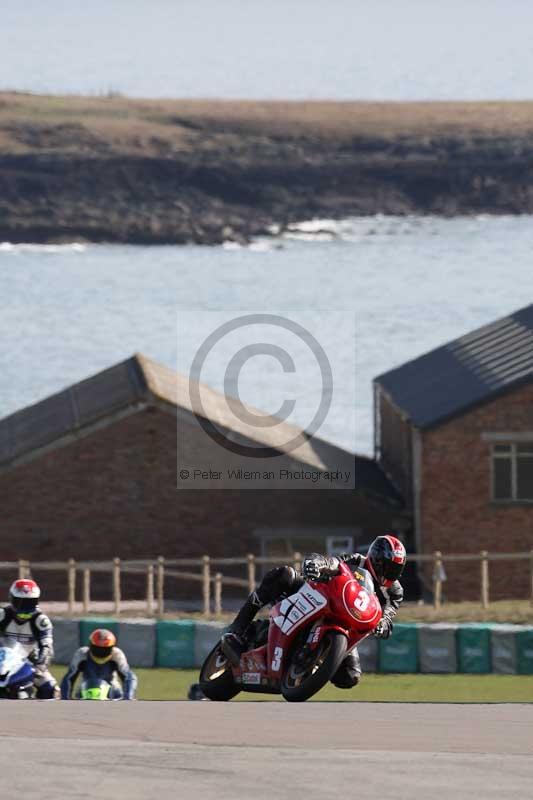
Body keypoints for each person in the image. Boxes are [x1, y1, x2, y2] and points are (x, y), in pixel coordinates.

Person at [221, 534, 407, 689]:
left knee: (350, 676)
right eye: (387, 566)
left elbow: (388, 615)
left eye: (396, 569)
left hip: (346, 626)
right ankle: (238, 627)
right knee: (284, 575)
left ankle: (313, 663)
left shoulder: (395, 592)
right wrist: (317, 564)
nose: (390, 573)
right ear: (375, 559)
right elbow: (334, 562)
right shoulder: (356, 561)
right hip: (319, 597)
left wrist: (383, 625)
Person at [0, 578, 57, 699]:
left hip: (28, 661)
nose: (24, 607)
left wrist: (40, 665)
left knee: (50, 687)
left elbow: (47, 646)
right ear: (12, 599)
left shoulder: (41, 620)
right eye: (20, 602)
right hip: (3, 659)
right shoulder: (2, 615)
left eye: (29, 603)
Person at [60, 628, 138, 700]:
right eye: (98, 648)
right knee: (78, 694)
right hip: (85, 690)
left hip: (113, 691)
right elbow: (69, 677)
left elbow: (129, 677)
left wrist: (128, 697)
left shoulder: (116, 654)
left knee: (119, 693)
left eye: (105, 649)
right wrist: (65, 698)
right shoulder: (82, 654)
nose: (101, 651)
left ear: (111, 648)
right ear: (91, 646)